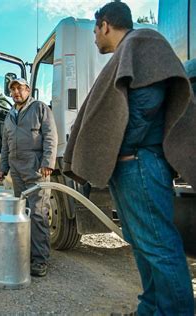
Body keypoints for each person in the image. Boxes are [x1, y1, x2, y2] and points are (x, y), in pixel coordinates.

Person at [63, 2, 196, 314]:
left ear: (106, 25)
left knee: (159, 246)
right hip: (127, 167)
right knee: (141, 245)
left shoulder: (142, 42)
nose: (95, 37)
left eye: (95, 30)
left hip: (139, 165)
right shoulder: (128, 50)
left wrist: (122, 147)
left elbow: (148, 102)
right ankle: (150, 307)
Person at [0, 78, 58, 277]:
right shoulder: (9, 116)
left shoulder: (39, 108)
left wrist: (48, 162)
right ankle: (26, 255)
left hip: (35, 169)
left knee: (38, 213)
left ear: (28, 90)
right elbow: (5, 145)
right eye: (12, 89)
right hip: (16, 170)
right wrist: (2, 168)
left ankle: (40, 260)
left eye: (19, 88)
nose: (16, 92)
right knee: (21, 213)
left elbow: (50, 135)